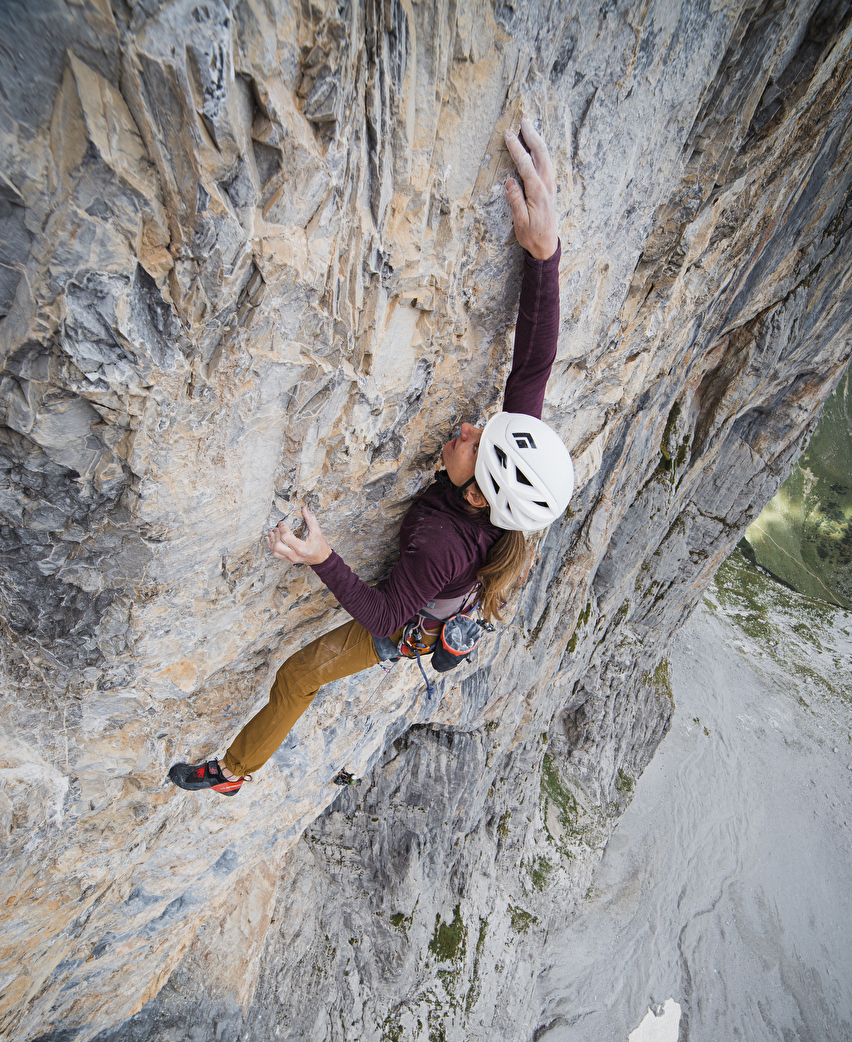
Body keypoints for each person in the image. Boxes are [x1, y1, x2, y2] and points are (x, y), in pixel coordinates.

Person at [169, 118, 575, 797]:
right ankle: (451, 636)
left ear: (478, 494)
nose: (469, 428)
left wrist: (320, 556)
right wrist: (543, 254)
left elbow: (387, 617)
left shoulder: (443, 544)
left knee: (299, 675)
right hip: (445, 584)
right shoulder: (506, 468)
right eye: (483, 430)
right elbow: (532, 365)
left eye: (474, 443)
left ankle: (233, 772)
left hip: (411, 621)